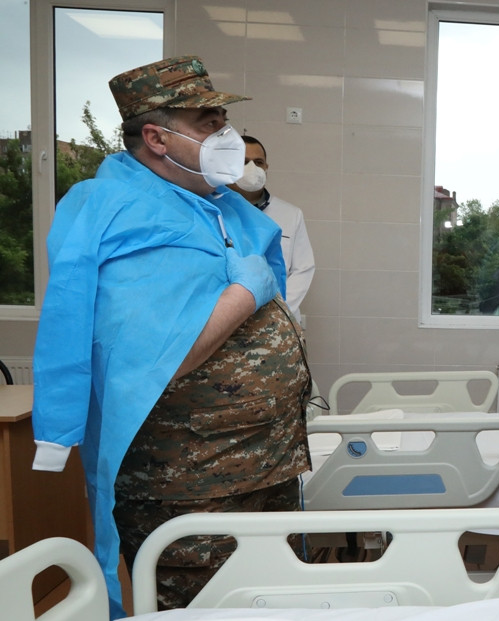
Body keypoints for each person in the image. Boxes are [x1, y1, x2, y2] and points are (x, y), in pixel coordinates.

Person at [30, 56, 312, 618]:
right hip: (194, 482)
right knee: (208, 609)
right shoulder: (121, 211)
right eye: (209, 123)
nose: (227, 136)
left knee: (274, 604)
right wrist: (246, 292)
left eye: (223, 120)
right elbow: (159, 356)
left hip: (263, 463)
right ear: (157, 138)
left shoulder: (213, 203)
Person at [228, 135, 315, 323]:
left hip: (280, 320)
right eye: (244, 162)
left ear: (266, 167)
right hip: (230, 316)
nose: (252, 168)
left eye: (258, 162)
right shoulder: (215, 211)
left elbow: (303, 268)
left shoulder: (290, 214)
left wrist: (280, 310)